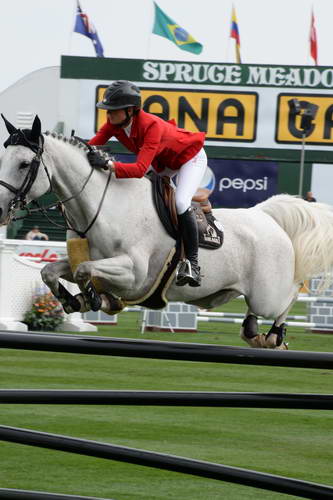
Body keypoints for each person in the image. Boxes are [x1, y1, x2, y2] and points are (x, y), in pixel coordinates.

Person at [87, 80, 207, 287]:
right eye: (107, 110)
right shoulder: (113, 125)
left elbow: (140, 169)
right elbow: (91, 146)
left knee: (180, 202)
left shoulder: (150, 125)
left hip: (189, 158)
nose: (109, 115)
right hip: (162, 162)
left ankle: (192, 264)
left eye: (113, 110)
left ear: (131, 110)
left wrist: (108, 164)